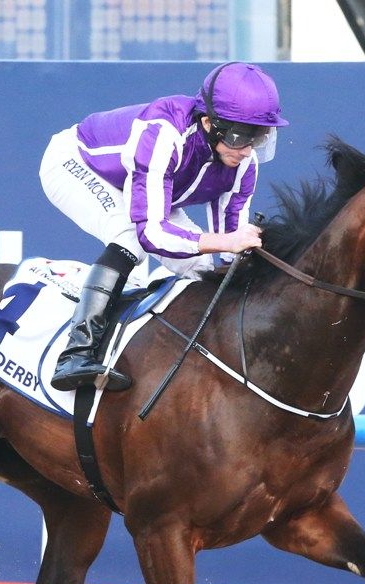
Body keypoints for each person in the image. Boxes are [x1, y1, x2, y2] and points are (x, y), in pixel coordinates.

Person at [39, 61, 289, 392]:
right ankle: (77, 353)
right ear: (209, 122)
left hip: (142, 186)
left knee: (202, 269)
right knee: (129, 238)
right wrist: (226, 242)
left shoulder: (244, 164)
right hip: (78, 163)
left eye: (258, 137)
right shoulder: (164, 133)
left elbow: (230, 252)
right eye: (240, 136)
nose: (247, 150)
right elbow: (152, 234)